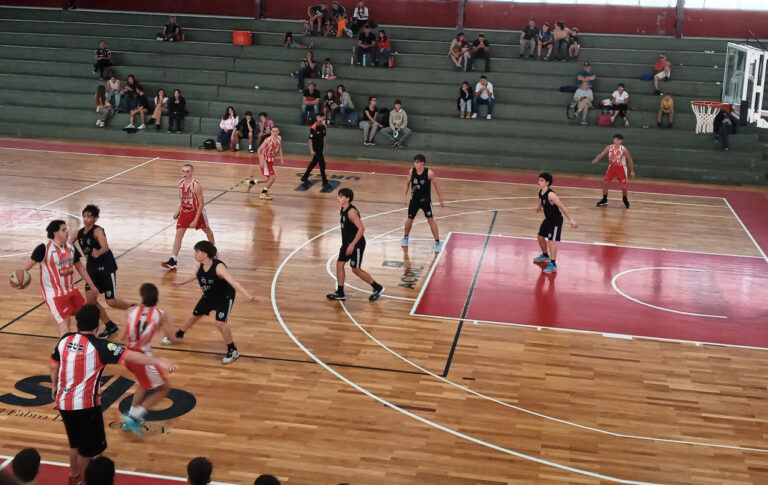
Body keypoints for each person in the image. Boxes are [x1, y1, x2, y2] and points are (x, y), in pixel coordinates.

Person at [50, 305, 177, 485]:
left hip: (63, 402)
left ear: (77, 322)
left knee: (75, 443)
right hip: (86, 406)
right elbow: (132, 356)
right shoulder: (101, 346)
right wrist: (158, 361)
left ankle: (73, 477)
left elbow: (54, 366)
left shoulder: (64, 339)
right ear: (97, 325)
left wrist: (54, 386)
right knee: (90, 451)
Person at [163, 241, 258, 364]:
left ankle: (233, 350)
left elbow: (234, 283)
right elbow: (196, 275)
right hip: (209, 296)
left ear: (205, 254)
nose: (195, 254)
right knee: (194, 316)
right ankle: (179, 335)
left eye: (197, 252)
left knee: (220, 323)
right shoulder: (200, 264)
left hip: (224, 297)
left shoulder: (219, 267)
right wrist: (182, 282)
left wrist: (250, 297)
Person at [17, 220, 98, 336]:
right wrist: (18, 278)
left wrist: (92, 284)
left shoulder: (70, 246)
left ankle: (81, 343)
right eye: (63, 230)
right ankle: (63, 347)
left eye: (66, 229)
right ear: (55, 233)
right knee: (65, 325)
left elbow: (80, 267)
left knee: (84, 318)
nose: (67, 232)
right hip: (54, 294)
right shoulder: (43, 248)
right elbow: (25, 267)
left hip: (70, 289)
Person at [118, 283, 178, 434]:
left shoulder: (131, 311)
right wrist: (175, 332)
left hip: (129, 357)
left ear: (142, 296)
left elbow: (121, 337)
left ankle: (130, 417)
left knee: (143, 384)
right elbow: (172, 338)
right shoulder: (161, 314)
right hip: (143, 360)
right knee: (164, 389)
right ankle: (134, 417)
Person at [71, 205, 130, 339]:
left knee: (111, 302)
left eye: (89, 216)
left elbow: (105, 247)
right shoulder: (79, 233)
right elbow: (68, 244)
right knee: (91, 301)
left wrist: (98, 252)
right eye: (84, 216)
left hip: (105, 267)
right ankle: (110, 326)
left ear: (95, 218)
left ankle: (134, 307)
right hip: (91, 269)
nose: (86, 219)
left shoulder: (97, 231)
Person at [326, 188, 385, 301]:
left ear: (347, 199)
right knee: (339, 264)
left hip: (356, 245)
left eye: (341, 196)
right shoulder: (343, 209)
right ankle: (340, 292)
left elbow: (361, 229)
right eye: (338, 196)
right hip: (346, 244)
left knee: (356, 269)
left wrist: (352, 245)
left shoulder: (351, 212)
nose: (338, 198)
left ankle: (378, 288)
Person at [161, 164, 216, 270]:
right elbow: (183, 199)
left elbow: (201, 204)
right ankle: (173, 260)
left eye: (187, 171)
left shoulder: (196, 186)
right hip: (185, 212)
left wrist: (195, 220)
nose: (185, 173)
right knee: (178, 235)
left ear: (191, 173)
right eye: (183, 171)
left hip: (197, 212)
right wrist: (178, 210)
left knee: (208, 231)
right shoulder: (181, 183)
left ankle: (213, 252)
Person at [532, 172, 578, 274]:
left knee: (551, 241)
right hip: (548, 219)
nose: (539, 182)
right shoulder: (541, 191)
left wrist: (571, 220)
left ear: (547, 183)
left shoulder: (551, 195)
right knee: (540, 237)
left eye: (542, 180)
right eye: (539, 180)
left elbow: (562, 207)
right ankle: (545, 256)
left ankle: (553, 264)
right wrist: (539, 207)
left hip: (555, 221)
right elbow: (541, 199)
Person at [400, 154, 445, 252]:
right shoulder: (411, 171)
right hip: (414, 200)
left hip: (425, 201)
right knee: (410, 219)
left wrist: (440, 198)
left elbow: (436, 185)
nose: (415, 164)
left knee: (431, 220)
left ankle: (437, 242)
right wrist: (404, 196)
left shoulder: (429, 173)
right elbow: (407, 183)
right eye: (414, 162)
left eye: (417, 162)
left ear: (422, 163)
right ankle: (405, 237)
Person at [592, 133, 636, 208]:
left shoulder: (623, 150)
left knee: (624, 187)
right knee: (605, 183)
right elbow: (602, 153)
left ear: (621, 141)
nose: (615, 141)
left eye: (617, 139)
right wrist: (597, 158)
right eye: (615, 139)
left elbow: (630, 160)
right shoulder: (609, 147)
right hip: (612, 168)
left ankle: (625, 199)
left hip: (621, 168)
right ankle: (604, 199)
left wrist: (632, 171)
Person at [249, 126, 284, 200]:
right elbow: (259, 150)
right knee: (272, 177)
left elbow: (280, 148)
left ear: (278, 132)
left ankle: (252, 182)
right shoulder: (268, 140)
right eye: (273, 131)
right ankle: (263, 193)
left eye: (276, 131)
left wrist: (281, 158)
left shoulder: (279, 138)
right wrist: (260, 161)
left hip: (270, 160)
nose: (275, 132)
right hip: (265, 160)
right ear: (271, 132)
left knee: (267, 179)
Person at [301, 113, 331, 189]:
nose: (319, 119)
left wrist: (325, 146)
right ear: (316, 118)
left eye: (321, 117)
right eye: (318, 117)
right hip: (316, 149)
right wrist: (311, 150)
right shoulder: (313, 127)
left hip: (320, 148)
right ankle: (325, 182)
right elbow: (310, 139)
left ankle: (305, 177)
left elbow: (324, 137)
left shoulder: (324, 126)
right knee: (322, 164)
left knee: (313, 163)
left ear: (323, 118)